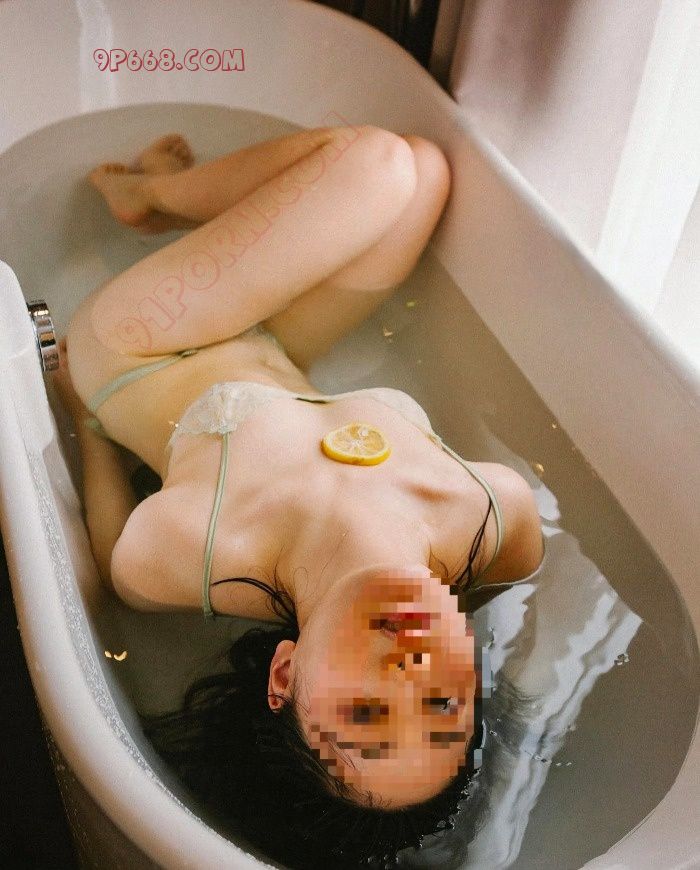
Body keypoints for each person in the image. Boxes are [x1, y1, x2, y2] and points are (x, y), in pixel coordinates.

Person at [54, 125, 545, 868]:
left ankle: (147, 192)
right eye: (441, 706)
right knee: (428, 174)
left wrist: (84, 420)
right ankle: (172, 200)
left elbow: (114, 567)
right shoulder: (493, 519)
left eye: (368, 712)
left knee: (381, 165)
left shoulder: (208, 547)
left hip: (145, 348)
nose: (410, 671)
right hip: (277, 352)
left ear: (285, 675)